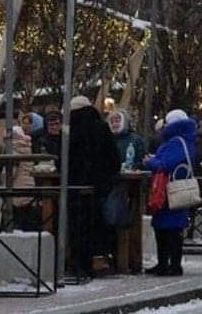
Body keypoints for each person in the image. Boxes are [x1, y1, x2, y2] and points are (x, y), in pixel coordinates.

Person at [67, 95, 122, 277]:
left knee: (76, 226)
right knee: (98, 225)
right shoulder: (101, 127)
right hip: (100, 187)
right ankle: (100, 261)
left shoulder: (70, 129)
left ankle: (75, 263)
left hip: (74, 187)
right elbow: (114, 159)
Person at [144, 109, 197, 277]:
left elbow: (166, 164)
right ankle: (170, 263)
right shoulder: (186, 140)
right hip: (174, 188)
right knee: (172, 228)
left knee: (167, 228)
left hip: (169, 190)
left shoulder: (175, 142)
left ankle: (169, 264)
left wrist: (150, 161)